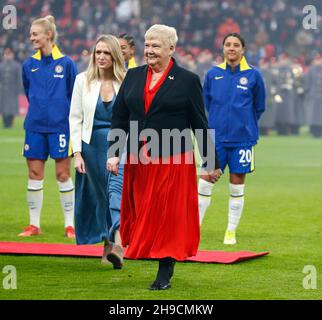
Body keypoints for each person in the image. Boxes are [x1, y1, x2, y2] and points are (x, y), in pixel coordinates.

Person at [107, 24, 222, 290]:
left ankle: (164, 272)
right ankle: (142, 251)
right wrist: (114, 153)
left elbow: (199, 124)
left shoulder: (188, 80)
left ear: (171, 49)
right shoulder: (132, 76)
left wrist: (211, 161)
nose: (149, 50)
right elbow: (120, 118)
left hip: (173, 158)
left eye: (156, 46)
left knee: (168, 216)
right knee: (140, 211)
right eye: (147, 45)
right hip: (138, 159)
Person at [198, 33, 266, 245]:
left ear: (243, 50)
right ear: (223, 48)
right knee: (204, 184)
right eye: (228, 44)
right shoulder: (212, 74)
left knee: (236, 186)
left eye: (236, 45)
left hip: (242, 141)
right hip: (214, 138)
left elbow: (259, 107)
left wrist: (244, 124)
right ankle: (195, 230)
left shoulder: (254, 75)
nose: (232, 48)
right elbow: (206, 104)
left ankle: (230, 231)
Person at [69, 35, 126, 269]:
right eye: (98, 52)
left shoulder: (125, 81)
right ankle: (107, 244)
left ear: (115, 56)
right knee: (98, 197)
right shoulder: (83, 80)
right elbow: (75, 118)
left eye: (106, 53)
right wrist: (78, 154)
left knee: (116, 194)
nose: (101, 57)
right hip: (90, 147)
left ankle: (117, 245)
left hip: (118, 145)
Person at [19, 16, 77, 238]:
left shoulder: (67, 63)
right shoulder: (28, 64)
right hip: (34, 126)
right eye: (31, 34)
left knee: (63, 174)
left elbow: (73, 95)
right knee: (34, 173)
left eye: (35, 34)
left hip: (60, 127)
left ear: (48, 35)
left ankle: (69, 225)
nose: (31, 37)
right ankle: (34, 225)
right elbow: (28, 92)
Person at [0, 48, 21, 128]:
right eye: (6, 54)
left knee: (12, 108)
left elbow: (19, 78)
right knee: (3, 107)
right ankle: (5, 123)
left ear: (12, 55)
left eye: (9, 54)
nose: (7, 56)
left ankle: (10, 123)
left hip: (13, 90)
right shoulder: (1, 65)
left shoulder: (16, 65)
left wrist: (19, 89)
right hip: (3, 90)